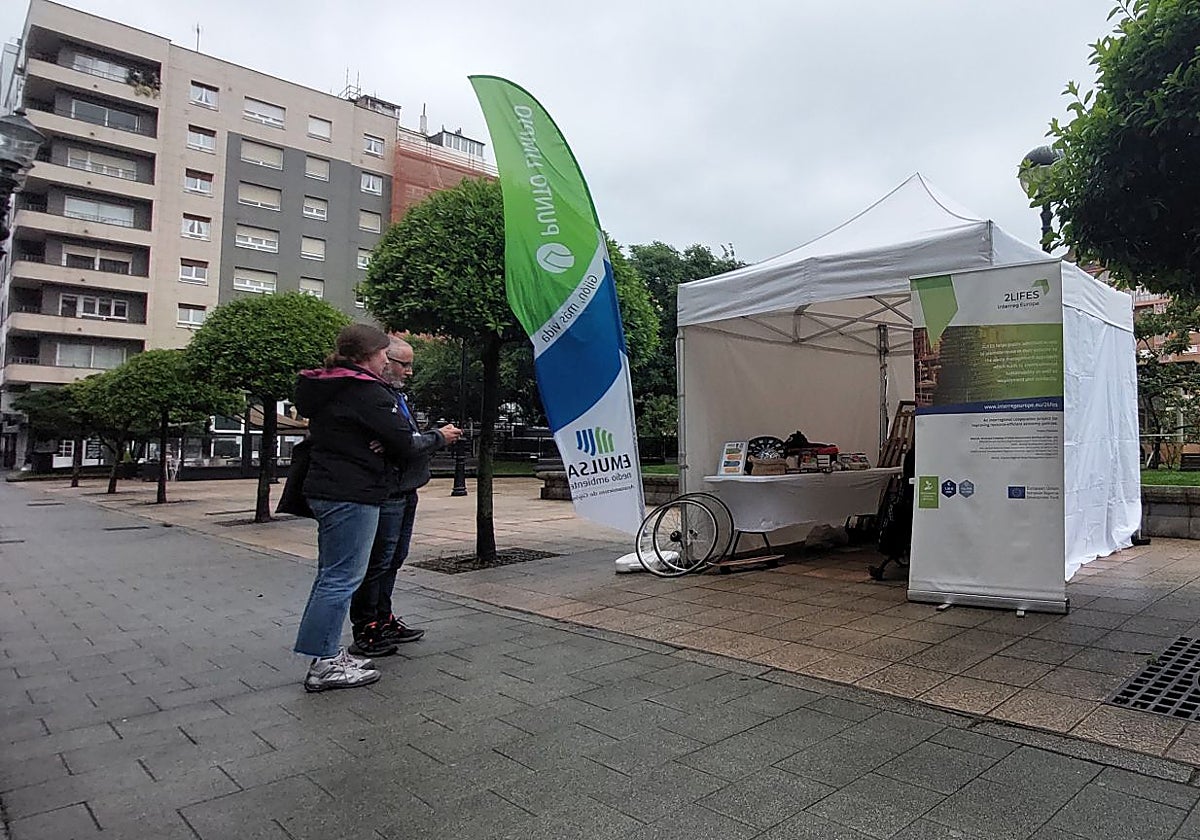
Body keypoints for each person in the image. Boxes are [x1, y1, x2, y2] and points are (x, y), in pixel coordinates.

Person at [292, 324, 416, 692]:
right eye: (383, 354)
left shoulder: (330, 386)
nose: (386, 360)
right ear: (367, 356)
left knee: (331, 576)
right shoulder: (363, 390)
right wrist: (434, 436)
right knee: (341, 578)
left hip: (331, 487)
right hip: (352, 491)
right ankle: (326, 663)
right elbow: (404, 441)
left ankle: (324, 653)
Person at [348, 337, 461, 657]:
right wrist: (438, 437)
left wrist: (402, 440)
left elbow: (402, 439)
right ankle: (366, 626)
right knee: (378, 561)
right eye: (403, 363)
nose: (409, 371)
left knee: (393, 559)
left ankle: (383, 617)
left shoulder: (394, 395)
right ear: (384, 360)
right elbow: (403, 442)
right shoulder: (373, 396)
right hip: (386, 491)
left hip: (405, 487)